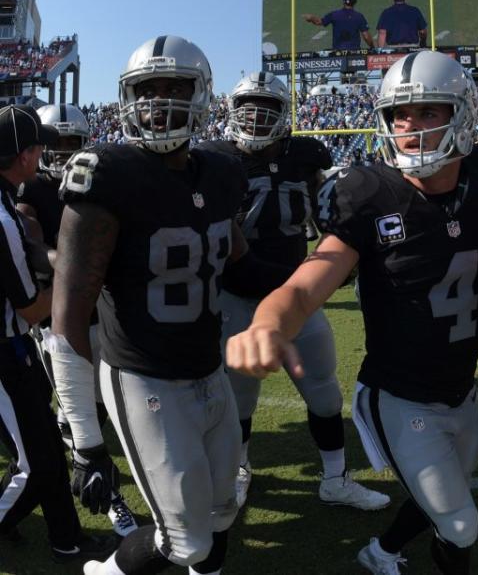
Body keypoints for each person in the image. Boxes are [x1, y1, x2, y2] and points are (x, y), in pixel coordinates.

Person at [227, 50, 478, 574]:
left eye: (427, 112)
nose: (409, 127)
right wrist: (267, 322)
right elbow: (307, 286)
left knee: (438, 502)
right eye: (400, 115)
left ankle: (381, 553)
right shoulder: (371, 193)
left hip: (461, 390)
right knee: (461, 524)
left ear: (461, 113)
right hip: (397, 396)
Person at [50, 35, 291, 575]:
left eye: (175, 88)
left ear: (202, 95)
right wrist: (87, 443)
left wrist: (311, 278)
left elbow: (240, 263)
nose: (159, 102)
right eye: (147, 89)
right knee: (184, 541)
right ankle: (105, 573)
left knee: (224, 510)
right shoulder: (106, 174)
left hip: (208, 369)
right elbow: (67, 319)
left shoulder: (221, 171)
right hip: (143, 377)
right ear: (126, 96)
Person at [197, 71, 389, 511]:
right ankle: (241, 470)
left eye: (268, 110)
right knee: (240, 400)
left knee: (324, 391)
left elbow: (326, 213)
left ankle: (336, 478)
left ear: (285, 116)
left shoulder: (305, 155)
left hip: (296, 295)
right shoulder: (215, 159)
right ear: (231, 111)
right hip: (239, 295)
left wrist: (336, 256)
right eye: (248, 109)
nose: (257, 119)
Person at [15, 103, 139, 538]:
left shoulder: (97, 185)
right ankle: (107, 495)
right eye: (58, 144)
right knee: (75, 410)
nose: (65, 154)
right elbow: (33, 247)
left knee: (102, 401)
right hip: (56, 317)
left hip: (100, 315)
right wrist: (77, 265)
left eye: (73, 144)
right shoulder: (32, 192)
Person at [0, 104, 115, 564]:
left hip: (14, 349)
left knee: (46, 448)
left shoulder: (9, 204)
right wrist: (81, 279)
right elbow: (30, 308)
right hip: (4, 352)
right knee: (34, 465)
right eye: (40, 144)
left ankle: (67, 538)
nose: (46, 152)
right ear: (25, 155)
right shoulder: (5, 218)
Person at [304, 0, 375, 51]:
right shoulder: (359, 16)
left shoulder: (334, 15)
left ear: (343, 1)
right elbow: (366, 36)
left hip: (338, 53)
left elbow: (319, 22)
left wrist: (311, 18)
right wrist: (372, 46)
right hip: (354, 53)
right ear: (355, 2)